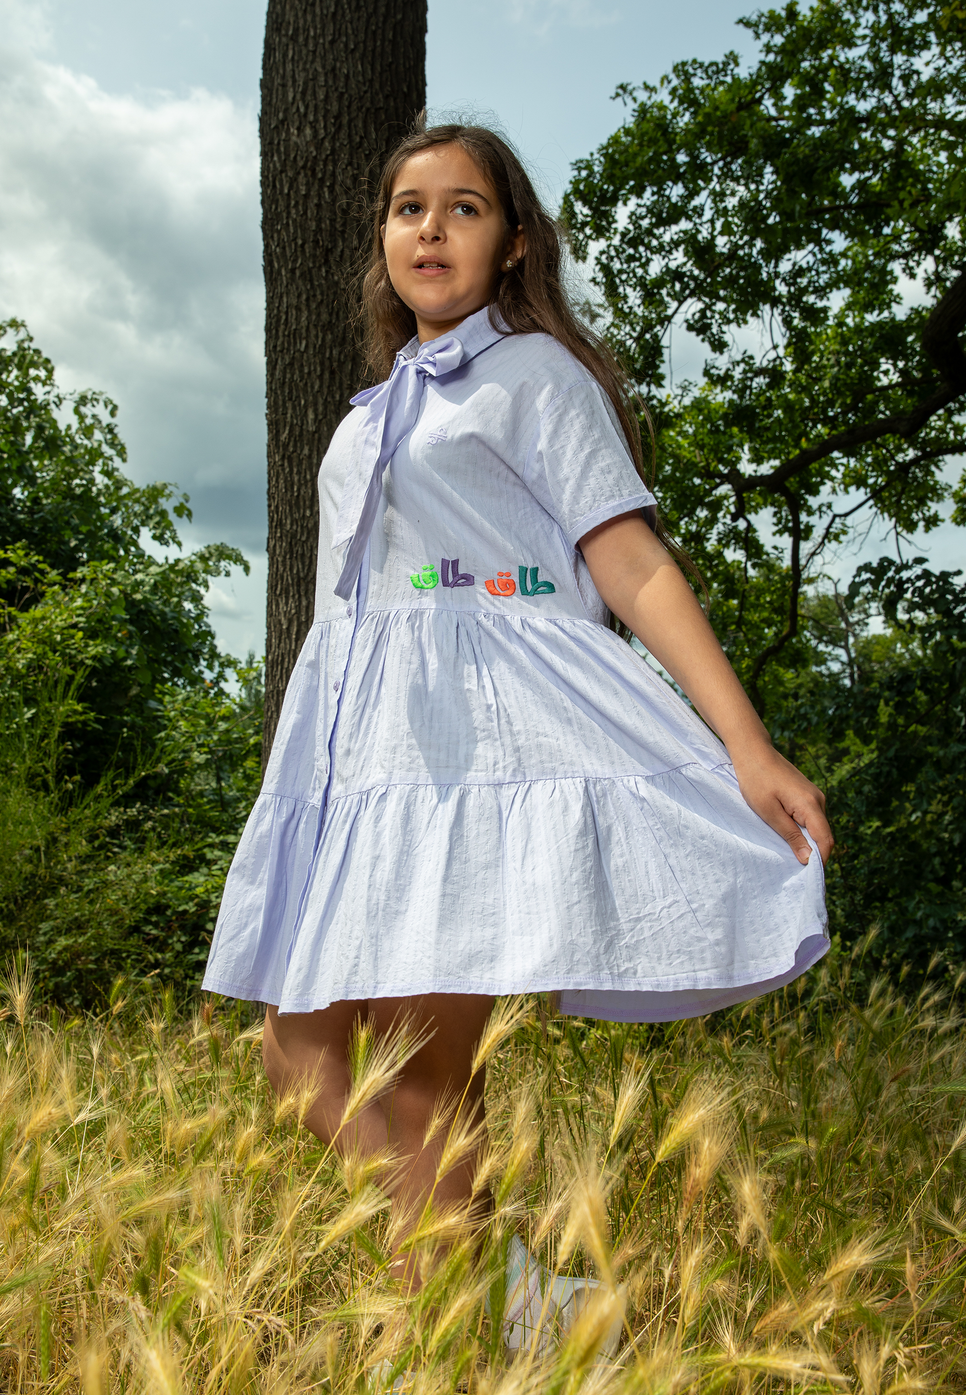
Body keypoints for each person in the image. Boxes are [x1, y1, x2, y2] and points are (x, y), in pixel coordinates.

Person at [202, 121, 831, 1327]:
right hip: (370, 748)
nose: (428, 229)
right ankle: (506, 1299)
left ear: (512, 244)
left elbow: (630, 563)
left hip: (484, 742)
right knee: (299, 1046)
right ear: (383, 238)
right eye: (407, 208)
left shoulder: (535, 377)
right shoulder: (368, 410)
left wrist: (747, 747)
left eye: (463, 208)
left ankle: (453, 1328)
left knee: (427, 1070)